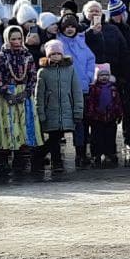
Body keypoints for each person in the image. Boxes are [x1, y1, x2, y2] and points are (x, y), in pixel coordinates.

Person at [0, 25, 42, 172]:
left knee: (24, 125)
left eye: (19, 38)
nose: (16, 41)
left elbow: (33, 75)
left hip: (24, 93)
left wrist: (26, 92)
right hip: (7, 94)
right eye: (13, 39)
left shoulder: (27, 55)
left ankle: (21, 158)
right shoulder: (1, 56)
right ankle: (4, 159)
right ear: (7, 39)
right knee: (8, 125)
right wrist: (6, 93)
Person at [34, 39, 85, 171]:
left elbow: (76, 91)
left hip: (67, 109)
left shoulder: (70, 69)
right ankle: (55, 162)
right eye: (52, 54)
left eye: (58, 53)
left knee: (58, 136)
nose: (55, 56)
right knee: (54, 137)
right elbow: (39, 94)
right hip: (51, 110)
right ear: (48, 55)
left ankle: (39, 155)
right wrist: (41, 112)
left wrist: (78, 110)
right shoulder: (43, 72)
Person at [57, 13, 96, 167]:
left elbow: (90, 59)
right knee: (68, 123)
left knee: (82, 122)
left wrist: (88, 77)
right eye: (67, 27)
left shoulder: (81, 41)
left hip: (82, 88)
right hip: (66, 89)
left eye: (72, 26)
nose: (70, 29)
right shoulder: (58, 42)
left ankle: (81, 153)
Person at [105, 0, 130, 152]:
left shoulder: (127, 28)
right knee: (114, 109)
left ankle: (129, 137)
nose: (119, 17)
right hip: (116, 74)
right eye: (116, 14)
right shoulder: (109, 30)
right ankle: (111, 143)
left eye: (120, 13)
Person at [84, 63, 123, 167]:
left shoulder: (113, 88)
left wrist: (119, 114)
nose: (104, 77)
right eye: (101, 75)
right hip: (97, 118)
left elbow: (117, 102)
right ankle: (96, 154)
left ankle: (110, 153)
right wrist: (90, 114)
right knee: (97, 138)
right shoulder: (93, 89)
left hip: (111, 117)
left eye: (106, 75)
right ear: (97, 77)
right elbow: (91, 103)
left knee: (110, 137)